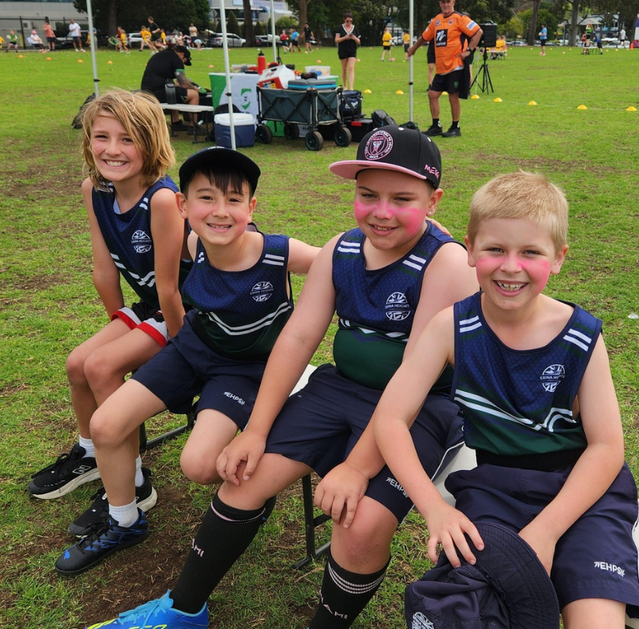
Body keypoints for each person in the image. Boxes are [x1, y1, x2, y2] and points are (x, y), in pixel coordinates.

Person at [83, 125, 477, 629]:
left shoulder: (445, 263)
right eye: (367, 195)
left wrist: (356, 467)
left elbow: (411, 381)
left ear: (434, 199)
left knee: (358, 526)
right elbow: (295, 340)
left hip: (418, 411)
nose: (381, 211)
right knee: (243, 478)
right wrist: (256, 430)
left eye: (402, 198)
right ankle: (183, 610)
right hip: (339, 389)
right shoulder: (342, 249)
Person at [373, 170, 639, 628]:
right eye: (496, 249)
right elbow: (390, 420)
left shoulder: (581, 337)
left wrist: (543, 533)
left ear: (558, 259)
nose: (510, 266)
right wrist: (435, 508)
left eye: (530, 253)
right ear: (470, 250)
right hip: (495, 488)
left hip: (582, 495)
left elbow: (606, 448)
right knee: (467, 614)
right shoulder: (450, 327)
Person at [54, 146, 320, 576]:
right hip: (191, 350)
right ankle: (125, 519)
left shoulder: (278, 252)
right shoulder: (190, 241)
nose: (220, 211)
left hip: (244, 370)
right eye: (206, 197)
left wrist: (413, 237)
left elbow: (344, 259)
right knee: (105, 424)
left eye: (234, 200)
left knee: (197, 465)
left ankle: (258, 484)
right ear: (184, 205)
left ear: (251, 207)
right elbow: (159, 282)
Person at [27, 90, 190, 536]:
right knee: (77, 364)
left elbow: (172, 287)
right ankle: (91, 454)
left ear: (152, 142)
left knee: (101, 365)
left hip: (184, 314)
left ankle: (135, 483)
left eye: (128, 139)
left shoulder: (162, 199)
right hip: (146, 307)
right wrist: (121, 323)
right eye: (102, 136)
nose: (112, 150)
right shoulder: (93, 191)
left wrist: (179, 349)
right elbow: (104, 271)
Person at [407, 0, 482, 138]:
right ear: (439, 4)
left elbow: (478, 32)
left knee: (453, 96)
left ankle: (455, 126)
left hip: (455, 66)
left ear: (453, 2)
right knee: (432, 94)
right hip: (441, 68)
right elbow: (424, 37)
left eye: (448, 2)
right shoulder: (437, 20)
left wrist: (468, 50)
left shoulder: (460, 19)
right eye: (443, 2)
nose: (446, 5)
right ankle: (436, 126)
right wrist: (413, 48)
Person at [141, 45, 199, 131]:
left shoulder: (159, 55)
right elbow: (183, 84)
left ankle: (176, 122)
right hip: (157, 93)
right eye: (184, 61)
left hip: (146, 91)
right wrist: (194, 88)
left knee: (174, 91)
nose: (182, 64)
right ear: (182, 55)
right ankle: (194, 127)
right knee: (194, 95)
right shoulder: (176, 59)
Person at [335, 11, 360, 91]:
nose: (349, 23)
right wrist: (345, 37)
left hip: (352, 50)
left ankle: (351, 87)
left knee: (351, 68)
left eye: (351, 21)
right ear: (344, 20)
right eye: (347, 21)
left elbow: (359, 41)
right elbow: (336, 40)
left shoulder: (354, 28)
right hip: (343, 50)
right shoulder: (340, 28)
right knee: (344, 69)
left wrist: (354, 38)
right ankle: (345, 86)